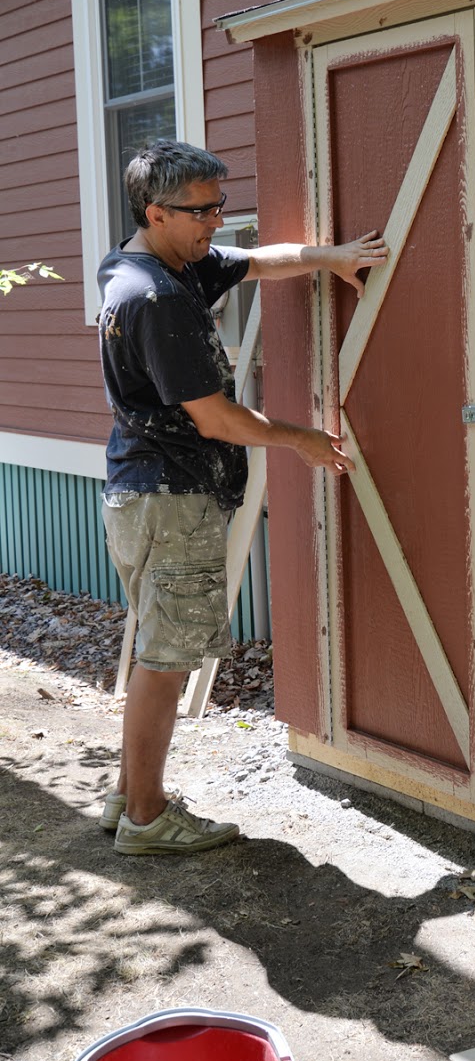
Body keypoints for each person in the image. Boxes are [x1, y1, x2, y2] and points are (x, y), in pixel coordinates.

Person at [96, 140, 387, 856]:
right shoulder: (157, 298)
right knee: (166, 664)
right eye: (201, 211)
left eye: (220, 205)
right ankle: (146, 820)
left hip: (143, 493)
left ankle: (128, 795)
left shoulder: (145, 263)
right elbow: (216, 418)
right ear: (156, 212)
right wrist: (304, 440)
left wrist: (329, 256)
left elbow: (257, 261)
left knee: (156, 654)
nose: (216, 223)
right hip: (171, 499)